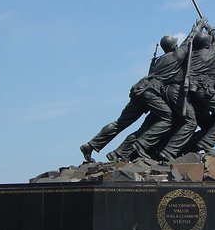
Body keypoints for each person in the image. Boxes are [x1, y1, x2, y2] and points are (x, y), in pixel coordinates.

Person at [80, 18, 206, 162]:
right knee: (167, 118)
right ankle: (140, 145)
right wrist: (197, 28)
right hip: (151, 91)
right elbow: (188, 42)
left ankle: (91, 145)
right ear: (174, 46)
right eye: (176, 44)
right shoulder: (176, 56)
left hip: (139, 89)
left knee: (120, 123)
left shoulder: (159, 60)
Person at [156, 25, 215, 161]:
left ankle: (187, 147)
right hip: (179, 91)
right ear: (207, 44)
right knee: (191, 123)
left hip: (178, 91)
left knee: (202, 122)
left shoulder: (187, 55)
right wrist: (212, 30)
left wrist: (197, 30)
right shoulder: (207, 55)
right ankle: (169, 151)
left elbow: (186, 44)